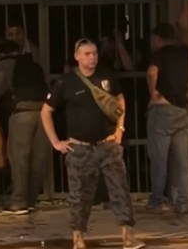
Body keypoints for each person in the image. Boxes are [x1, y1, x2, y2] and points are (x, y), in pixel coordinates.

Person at [40, 38, 145, 249]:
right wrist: (55, 142)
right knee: (79, 194)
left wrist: (120, 130)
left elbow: (120, 100)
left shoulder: (107, 76)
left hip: (108, 145)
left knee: (120, 190)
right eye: (87, 54)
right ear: (76, 56)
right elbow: (46, 112)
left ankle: (127, 235)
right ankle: (78, 237)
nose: (92, 57)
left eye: (94, 53)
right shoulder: (65, 82)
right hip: (79, 147)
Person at [0, 40, 50, 215]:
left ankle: (19, 201)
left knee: (19, 158)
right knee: (39, 158)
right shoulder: (33, 65)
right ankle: (31, 200)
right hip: (44, 112)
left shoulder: (3, 65)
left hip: (22, 112)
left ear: (1, 54)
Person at [145, 22, 188, 214]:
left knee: (159, 159)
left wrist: (153, 95)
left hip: (163, 109)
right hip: (182, 109)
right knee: (182, 160)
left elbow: (151, 72)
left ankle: (157, 200)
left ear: (157, 39)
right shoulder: (184, 51)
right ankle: (183, 202)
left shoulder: (160, 55)